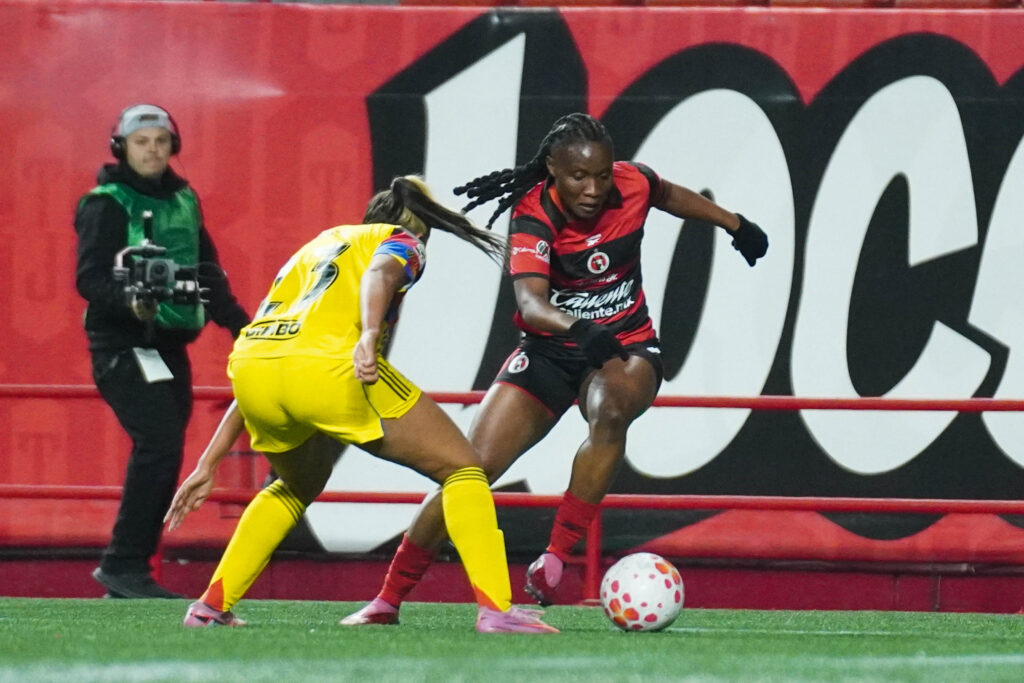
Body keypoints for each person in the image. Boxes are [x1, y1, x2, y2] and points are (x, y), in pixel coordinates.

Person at [341, 112, 768, 625]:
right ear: (552, 170)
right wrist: (581, 329)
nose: (594, 189)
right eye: (579, 177)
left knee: (611, 411)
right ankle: (387, 600)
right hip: (550, 350)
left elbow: (670, 194)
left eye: (602, 175)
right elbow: (531, 303)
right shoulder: (533, 216)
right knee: (467, 470)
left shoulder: (634, 182)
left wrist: (734, 223)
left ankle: (555, 558)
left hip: (625, 346)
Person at [164, 175, 558, 634]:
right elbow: (382, 273)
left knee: (296, 484)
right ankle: (496, 609)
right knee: (463, 469)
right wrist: (370, 334)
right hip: (332, 368)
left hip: (254, 370)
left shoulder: (319, 245)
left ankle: (210, 607)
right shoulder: (403, 241)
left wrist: (208, 464)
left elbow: (281, 352)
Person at [74, 103, 250, 599]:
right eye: (141, 142)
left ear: (173, 146)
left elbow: (208, 272)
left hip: (169, 346)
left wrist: (244, 327)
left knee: (165, 447)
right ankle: (124, 565)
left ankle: (127, 569)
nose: (152, 150)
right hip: (121, 344)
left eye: (160, 140)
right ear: (122, 148)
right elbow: (88, 279)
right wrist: (131, 301)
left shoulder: (184, 199)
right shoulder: (105, 203)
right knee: (160, 443)